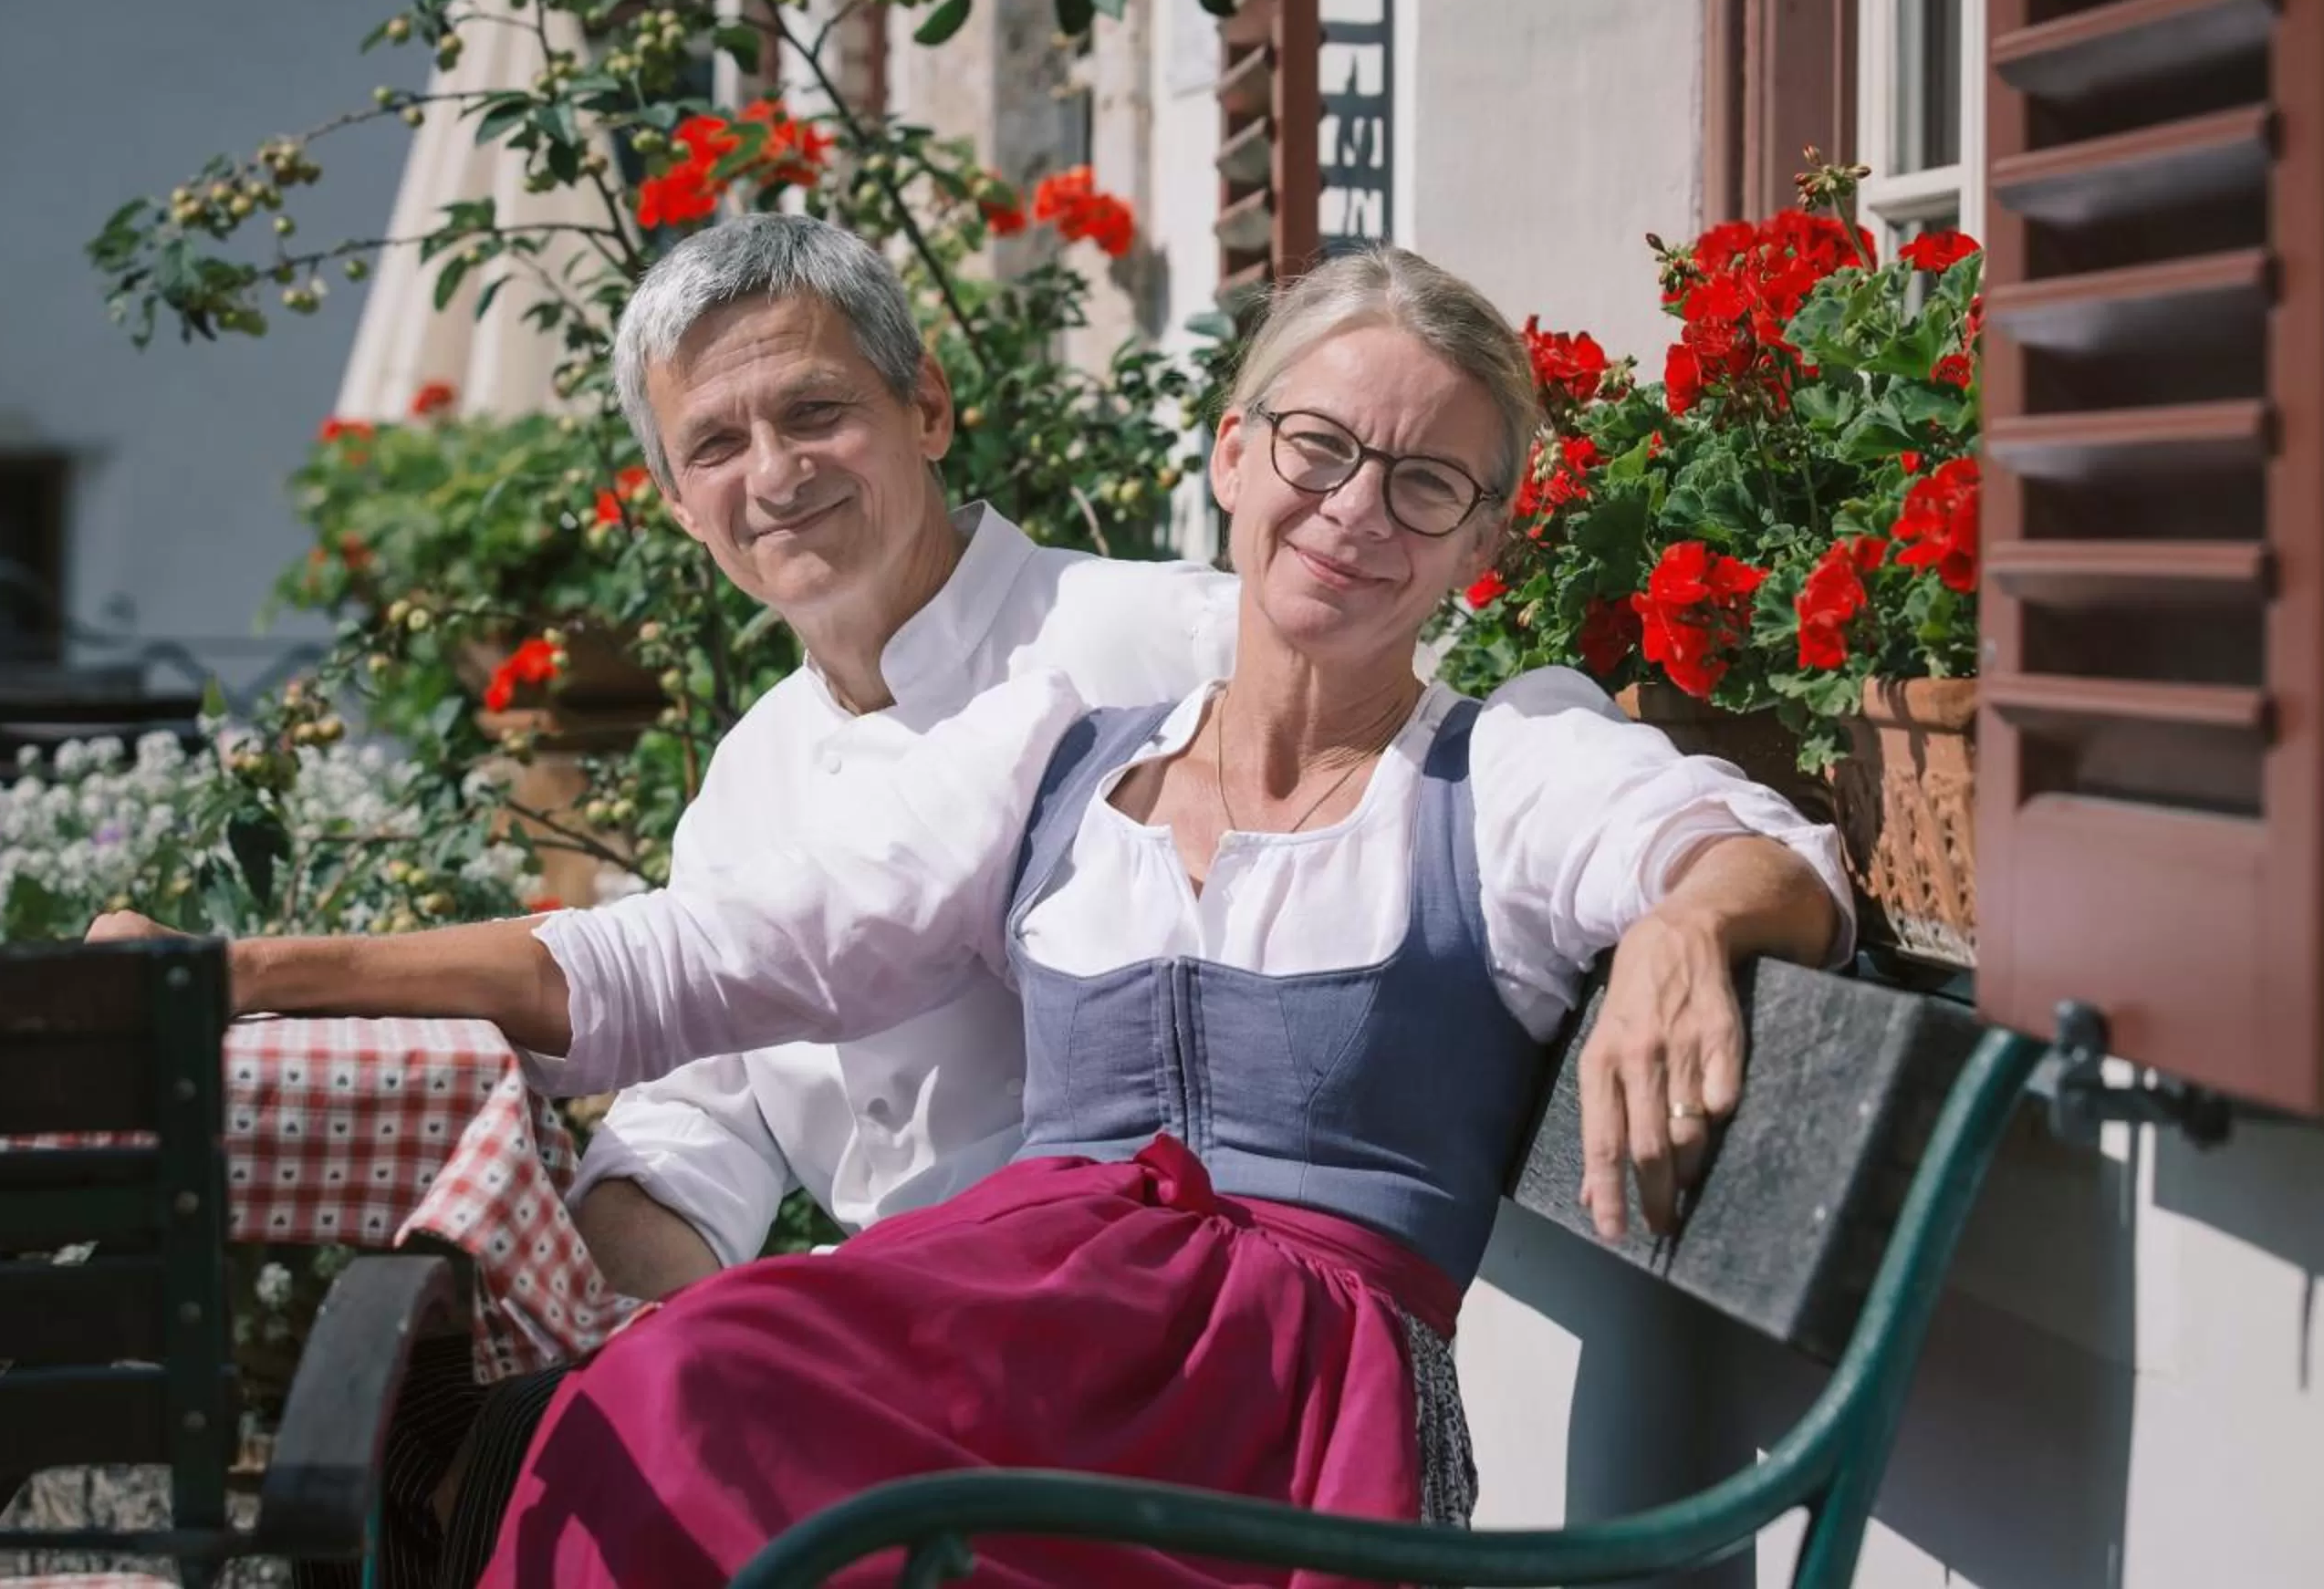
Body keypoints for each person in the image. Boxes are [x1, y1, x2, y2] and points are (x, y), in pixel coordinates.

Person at [145, 246, 1850, 1586]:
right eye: (1321, 450)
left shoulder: (1502, 764)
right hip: (1036, 1332)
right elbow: (700, 956)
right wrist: (246, 967)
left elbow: (1756, 846)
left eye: (1427, 485)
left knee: (691, 1394)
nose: (1354, 512)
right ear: (1234, 452)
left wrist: (1692, 925)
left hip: (1278, 1414)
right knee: (652, 1400)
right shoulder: (1067, 760)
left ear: (1480, 543)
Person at [103, 213, 1237, 1588]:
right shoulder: (758, 761)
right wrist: (619, 1325)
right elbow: (704, 1116)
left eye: (816, 411)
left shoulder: (1151, 636)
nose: (774, 475)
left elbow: (1493, 729)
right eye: (714, 444)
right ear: (675, 498)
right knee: (446, 1445)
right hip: (901, 1361)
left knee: (476, 1476)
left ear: (927, 406)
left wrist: (1595, 941)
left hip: (1112, 1368)